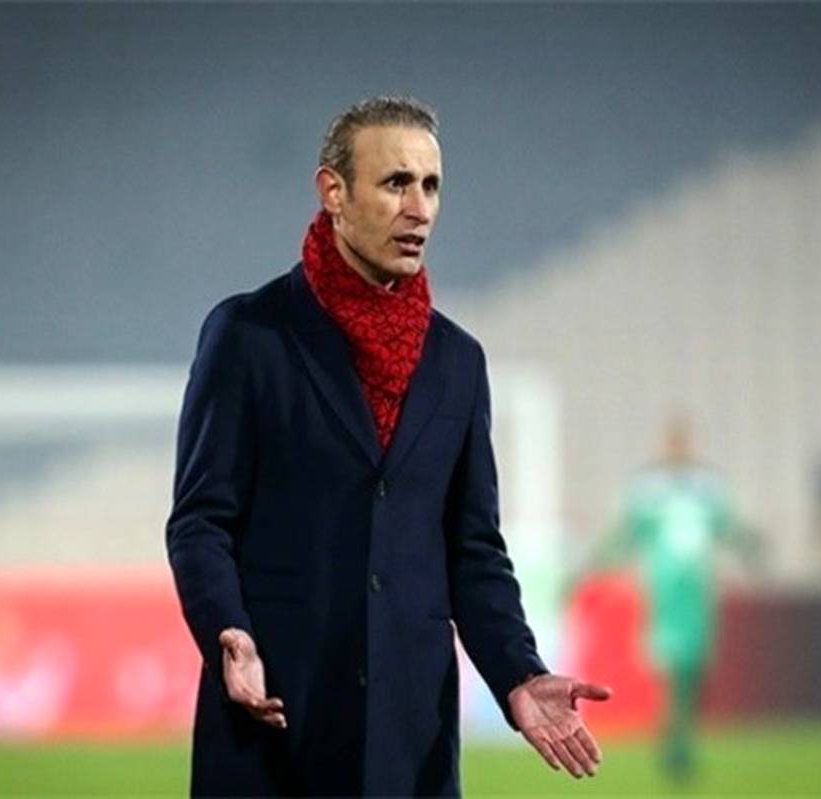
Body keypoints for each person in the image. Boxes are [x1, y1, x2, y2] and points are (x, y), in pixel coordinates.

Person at [165, 96, 610, 797]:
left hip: (410, 741)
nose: (419, 208)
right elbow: (200, 520)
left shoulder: (457, 362)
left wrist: (518, 673)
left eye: (431, 185)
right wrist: (229, 629)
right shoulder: (249, 335)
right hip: (274, 722)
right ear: (333, 191)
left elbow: (473, 550)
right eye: (396, 182)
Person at [574, 419, 749, 778]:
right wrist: (597, 564)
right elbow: (625, 533)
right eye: (671, 442)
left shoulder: (707, 488)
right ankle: (674, 741)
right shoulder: (648, 490)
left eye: (680, 442)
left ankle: (681, 734)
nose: (676, 449)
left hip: (698, 591)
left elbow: (728, 527)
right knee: (668, 665)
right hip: (663, 592)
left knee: (694, 669)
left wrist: (751, 545)